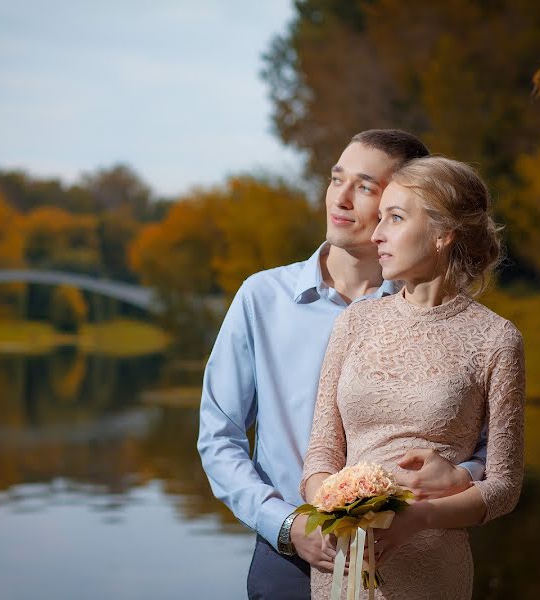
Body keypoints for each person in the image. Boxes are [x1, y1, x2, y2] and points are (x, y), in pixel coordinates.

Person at [197, 130, 489, 600]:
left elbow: (491, 453)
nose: (342, 198)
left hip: (411, 558)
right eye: (337, 180)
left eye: (366, 187)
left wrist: (460, 477)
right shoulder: (262, 299)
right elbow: (218, 437)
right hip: (287, 559)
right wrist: (286, 524)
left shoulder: (450, 319)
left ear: (403, 202)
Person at [301, 156, 525, 599]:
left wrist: (420, 518)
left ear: (444, 234)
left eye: (396, 218)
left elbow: (504, 487)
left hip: (432, 569)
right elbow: (322, 452)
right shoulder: (355, 322)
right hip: (342, 566)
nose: (377, 233)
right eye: (379, 217)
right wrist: (326, 505)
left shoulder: (497, 339)